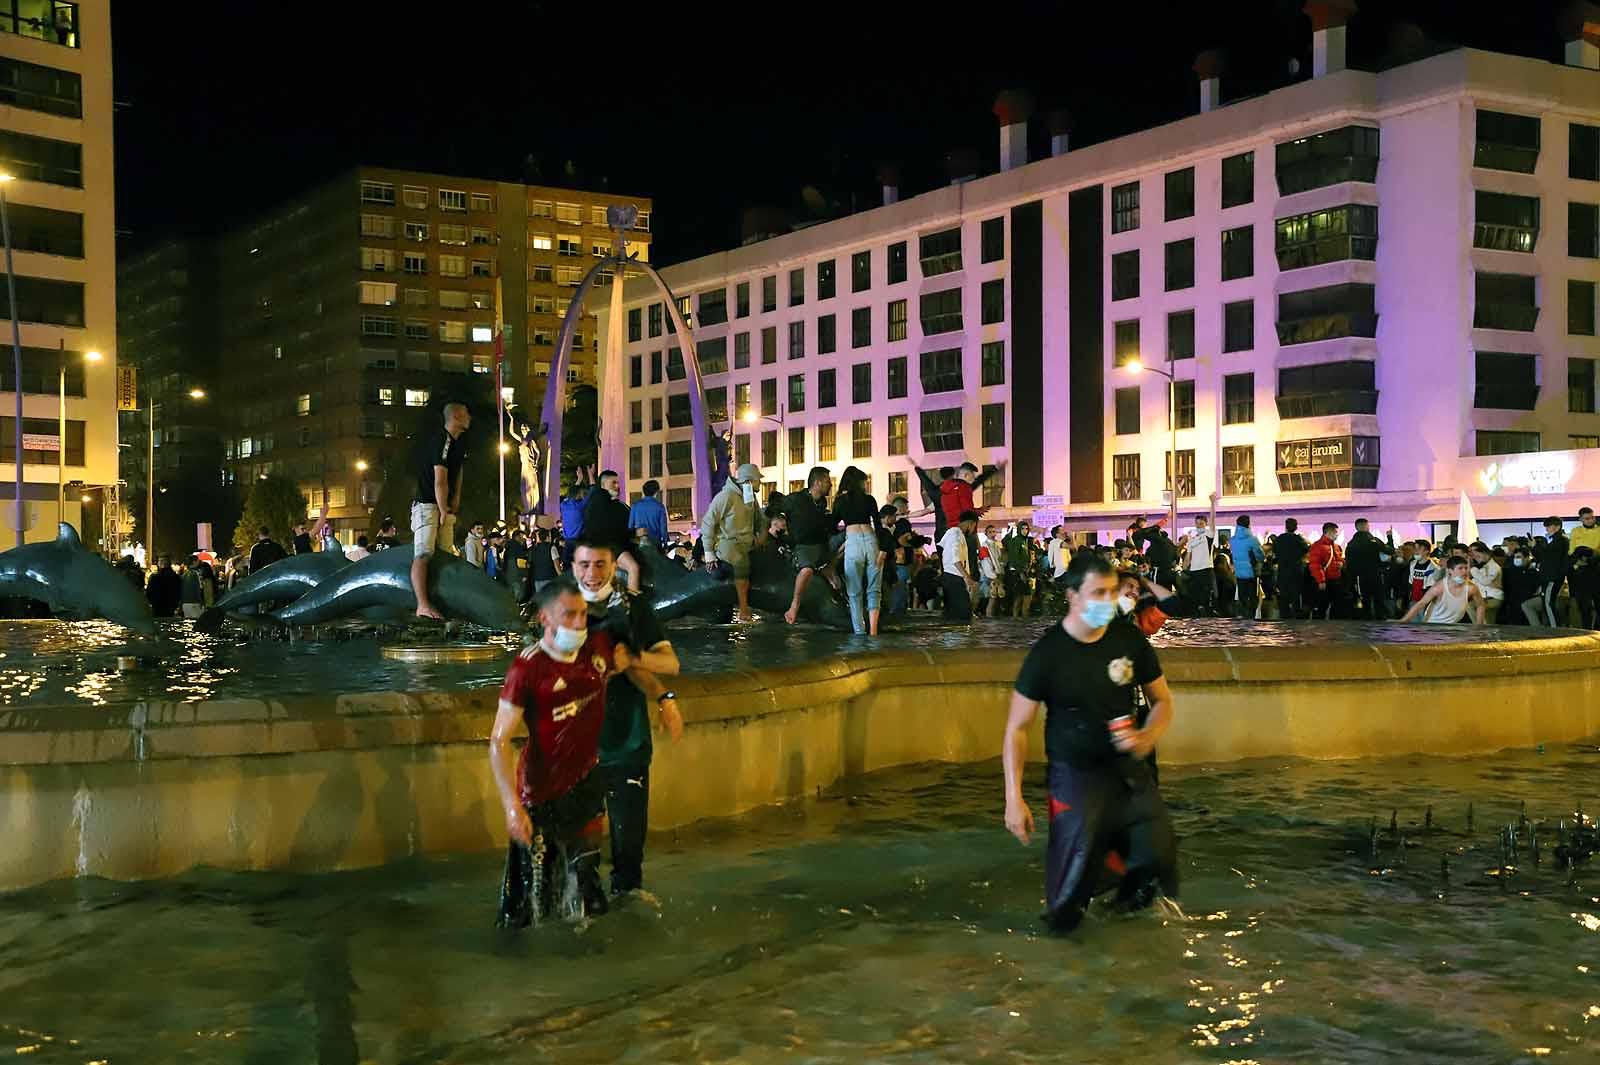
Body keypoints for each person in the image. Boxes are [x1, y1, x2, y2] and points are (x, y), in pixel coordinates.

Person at [1002, 553, 1178, 933]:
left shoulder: (1127, 638)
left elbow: (1162, 701)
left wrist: (1148, 735)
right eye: (1097, 593)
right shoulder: (1048, 654)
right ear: (1072, 596)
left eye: (1112, 592)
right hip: (1075, 776)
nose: (1107, 601)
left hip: (1127, 769)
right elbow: (1017, 728)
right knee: (1071, 892)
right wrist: (1013, 799)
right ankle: (1062, 962)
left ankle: (1128, 954)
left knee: (1154, 859)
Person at [490, 579, 637, 926]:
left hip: (585, 784)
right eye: (568, 615)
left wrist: (665, 698)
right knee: (529, 897)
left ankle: (592, 958)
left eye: (583, 615)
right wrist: (512, 807)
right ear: (545, 619)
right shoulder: (527, 668)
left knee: (586, 881)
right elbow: (498, 741)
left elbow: (635, 657)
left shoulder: (598, 650)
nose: (578, 623)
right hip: (538, 795)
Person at [568, 540, 685, 896]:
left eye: (600, 565)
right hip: (574, 753)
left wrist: (635, 661)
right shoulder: (560, 609)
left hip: (626, 746)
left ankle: (628, 930)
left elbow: (670, 664)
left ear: (613, 565)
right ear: (572, 566)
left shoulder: (632, 608)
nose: (592, 574)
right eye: (584, 565)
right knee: (578, 865)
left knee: (629, 857)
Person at [411, 402, 471, 620]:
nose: (469, 416)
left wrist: (455, 499)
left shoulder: (458, 443)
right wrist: (443, 508)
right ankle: (422, 604)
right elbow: (440, 479)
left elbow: (459, 472)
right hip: (428, 504)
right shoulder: (442, 440)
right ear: (456, 416)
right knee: (424, 553)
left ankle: (444, 602)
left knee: (445, 555)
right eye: (466, 413)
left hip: (442, 504)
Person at [700, 462, 762, 622]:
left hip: (746, 543)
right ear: (748, 481)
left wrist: (759, 535)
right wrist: (709, 553)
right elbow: (708, 522)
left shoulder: (750, 497)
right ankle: (743, 609)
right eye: (757, 480)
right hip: (728, 543)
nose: (760, 483)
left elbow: (759, 519)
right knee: (742, 563)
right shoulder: (725, 496)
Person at [831, 465, 884, 636]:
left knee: (854, 591)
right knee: (874, 589)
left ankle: (859, 632)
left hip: (853, 543)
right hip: (871, 542)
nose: (866, 485)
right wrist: (883, 549)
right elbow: (878, 525)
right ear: (859, 482)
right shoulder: (869, 500)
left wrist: (843, 541)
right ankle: (873, 632)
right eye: (864, 482)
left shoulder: (840, 501)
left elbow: (831, 525)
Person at [782, 467, 834, 625]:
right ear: (817, 483)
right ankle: (794, 604)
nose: (830, 484)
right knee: (806, 570)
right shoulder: (796, 499)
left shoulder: (822, 503)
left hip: (821, 546)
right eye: (827, 481)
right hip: (803, 546)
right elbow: (775, 509)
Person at [1401, 556, 1487, 625]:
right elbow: (1421, 603)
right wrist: (1403, 621)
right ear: (1450, 571)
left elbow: (1480, 605)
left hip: (1453, 626)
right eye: (1460, 568)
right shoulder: (1439, 587)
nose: (1464, 571)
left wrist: (1479, 625)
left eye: (1466, 568)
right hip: (1434, 625)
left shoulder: (1471, 588)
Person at [1523, 517, 1571, 626]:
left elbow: (1546, 557)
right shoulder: (1556, 541)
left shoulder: (1561, 541)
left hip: (1552, 578)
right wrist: (1535, 547)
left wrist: (1535, 546)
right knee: (1547, 604)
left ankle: (1555, 629)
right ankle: (1553, 628)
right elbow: (1544, 557)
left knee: (1548, 604)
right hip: (1550, 577)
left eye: (1549, 526)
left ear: (1557, 526)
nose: (1547, 529)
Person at [939, 509, 980, 622]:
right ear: (970, 523)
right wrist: (966, 577)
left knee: (955, 613)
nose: (973, 530)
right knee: (963, 614)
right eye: (974, 526)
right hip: (954, 578)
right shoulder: (955, 534)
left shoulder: (956, 534)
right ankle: (958, 638)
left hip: (952, 578)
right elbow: (955, 558)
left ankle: (953, 638)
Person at [1344, 518, 1387, 620]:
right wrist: (1389, 538)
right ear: (1367, 526)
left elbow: (1349, 564)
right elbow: (1389, 550)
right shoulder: (1374, 541)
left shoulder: (1351, 544)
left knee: (1365, 601)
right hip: (1375, 574)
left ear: (1356, 527)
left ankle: (1366, 623)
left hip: (1360, 577)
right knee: (1379, 599)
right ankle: (1380, 622)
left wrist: (1351, 579)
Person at [1307, 522, 1346, 619]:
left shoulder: (1335, 547)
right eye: (1336, 532)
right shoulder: (1318, 546)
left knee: (1336, 606)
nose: (1337, 534)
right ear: (1329, 532)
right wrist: (1321, 580)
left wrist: (1341, 563)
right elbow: (1315, 565)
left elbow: (1340, 559)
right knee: (1322, 606)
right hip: (1325, 581)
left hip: (1335, 580)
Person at [1229, 515, 1264, 620]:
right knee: (1253, 596)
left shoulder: (1233, 540)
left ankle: (1244, 617)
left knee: (1242, 596)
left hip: (1239, 573)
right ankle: (1251, 618)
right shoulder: (1252, 540)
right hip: (1251, 572)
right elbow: (1260, 555)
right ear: (1248, 524)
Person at [1570, 507, 1600, 628]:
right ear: (1580, 519)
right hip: (1581, 571)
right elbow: (1572, 550)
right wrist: (1578, 560)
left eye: (1592, 517)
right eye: (1587, 518)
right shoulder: (1576, 531)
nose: (1590, 520)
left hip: (1596, 567)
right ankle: (1586, 629)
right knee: (1583, 605)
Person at [1181, 515, 1217, 616]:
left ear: (1206, 524)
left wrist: (1212, 503)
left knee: (1207, 598)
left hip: (1206, 570)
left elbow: (1213, 521)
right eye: (1197, 524)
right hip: (1194, 572)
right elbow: (1188, 557)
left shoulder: (1208, 535)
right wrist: (1183, 569)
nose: (1199, 526)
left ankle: (1208, 619)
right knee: (1196, 599)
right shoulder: (1192, 540)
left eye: (1201, 524)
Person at [1275, 518, 1309, 619]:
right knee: (1296, 595)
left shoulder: (1279, 539)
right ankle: (1297, 616)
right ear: (1296, 527)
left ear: (1285, 526)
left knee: (1284, 595)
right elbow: (1306, 549)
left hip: (1283, 571)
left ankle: (1284, 616)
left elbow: (1275, 551)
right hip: (1296, 571)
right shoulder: (1298, 539)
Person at [628, 480, 669, 552]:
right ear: (656, 492)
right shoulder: (660, 506)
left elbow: (630, 526)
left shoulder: (635, 506)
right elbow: (663, 527)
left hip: (640, 543)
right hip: (655, 543)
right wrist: (665, 543)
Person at [1467, 541, 1504, 622]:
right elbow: (1475, 581)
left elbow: (1485, 581)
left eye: (1478, 556)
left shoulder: (1494, 566)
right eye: (1474, 556)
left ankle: (1479, 628)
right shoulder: (1481, 567)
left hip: (1494, 597)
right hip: (1484, 597)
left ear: (1484, 552)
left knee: (1474, 607)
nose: (1476, 558)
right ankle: (1479, 628)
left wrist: (1472, 569)